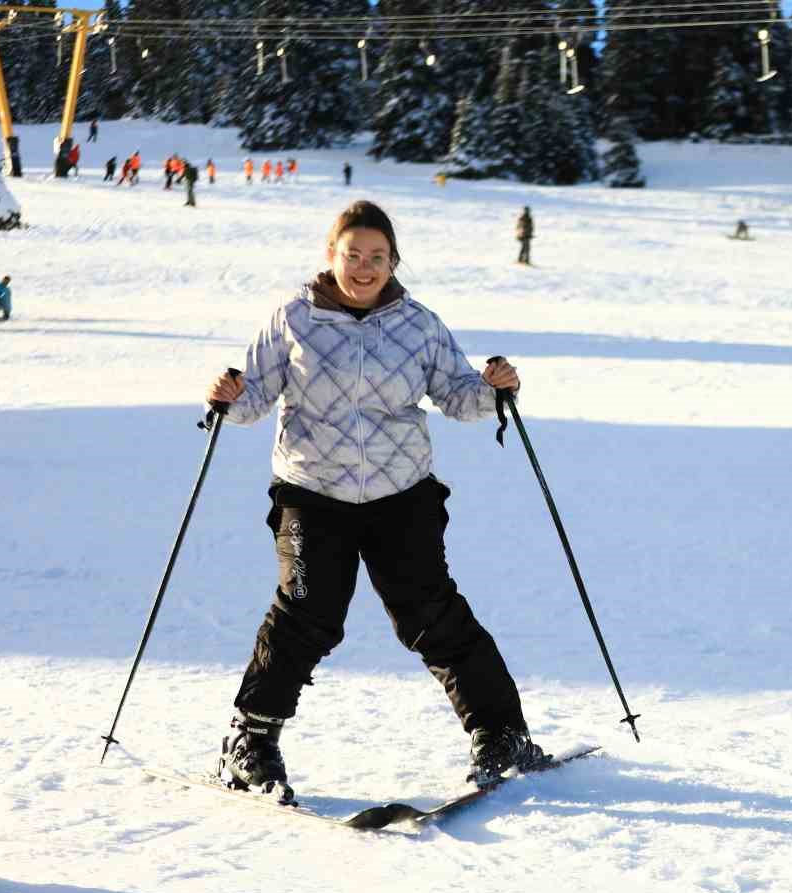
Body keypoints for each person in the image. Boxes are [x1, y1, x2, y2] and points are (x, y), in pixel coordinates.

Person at [201, 200, 551, 803]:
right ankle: (250, 742)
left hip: (401, 493)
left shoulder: (418, 324)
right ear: (330, 257)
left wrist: (495, 389)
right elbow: (254, 399)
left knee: (431, 613)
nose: (364, 267)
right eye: (352, 255)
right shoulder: (291, 319)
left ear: (394, 261)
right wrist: (228, 394)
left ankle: (501, 734)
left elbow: (458, 396)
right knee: (305, 614)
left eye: (377, 257)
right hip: (312, 494)